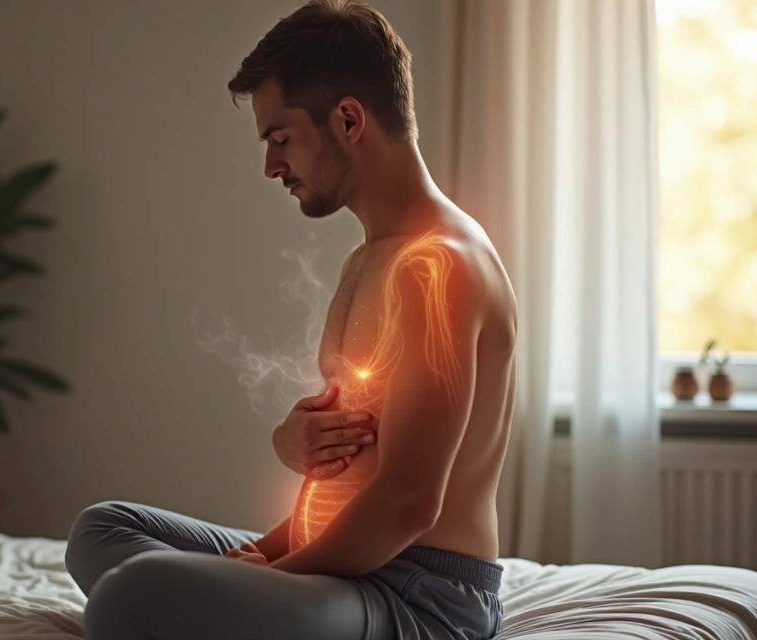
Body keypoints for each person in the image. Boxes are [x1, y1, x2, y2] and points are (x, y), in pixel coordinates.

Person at [64, 1, 518, 638]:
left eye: (280, 138)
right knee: (103, 530)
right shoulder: (369, 257)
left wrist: (269, 579)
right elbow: (355, 464)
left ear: (349, 119)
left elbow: (410, 503)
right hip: (342, 568)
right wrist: (291, 462)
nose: (271, 166)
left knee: (125, 597)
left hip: (419, 594)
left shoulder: (438, 270)